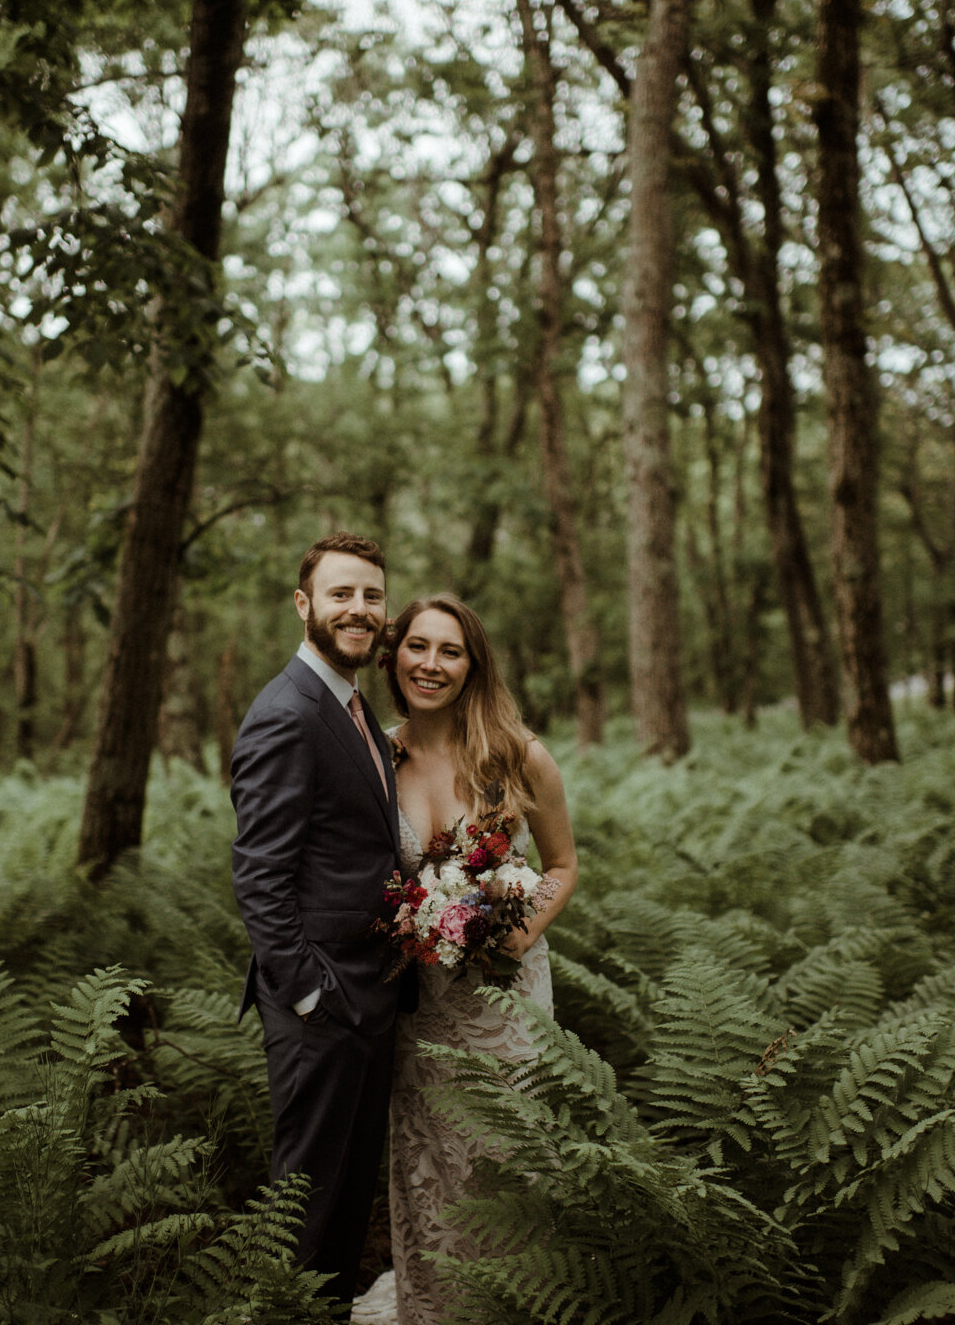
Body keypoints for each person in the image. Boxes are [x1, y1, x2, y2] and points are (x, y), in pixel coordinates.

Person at [371, 593, 579, 1324]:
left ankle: (518, 1304)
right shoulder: (377, 754)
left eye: (450, 650)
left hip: (506, 999)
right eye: (418, 646)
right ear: (394, 657)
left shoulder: (518, 754)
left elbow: (562, 865)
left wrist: (523, 929)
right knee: (432, 1166)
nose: (432, 663)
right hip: (420, 1001)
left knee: (503, 1158)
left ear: (473, 663)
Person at [228, 532, 410, 1314]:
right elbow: (259, 872)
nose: (359, 610)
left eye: (371, 595)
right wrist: (309, 993)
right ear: (304, 605)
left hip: (371, 997)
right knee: (301, 1208)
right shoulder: (287, 713)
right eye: (341, 594)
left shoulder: (354, 705)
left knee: (343, 1208)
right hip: (322, 1006)